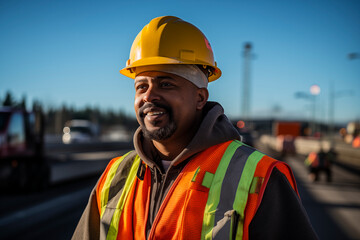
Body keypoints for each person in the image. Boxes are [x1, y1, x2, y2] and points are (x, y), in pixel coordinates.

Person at [72, 16, 318, 240]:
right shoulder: (115, 176)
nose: (149, 96)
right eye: (141, 86)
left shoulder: (260, 178)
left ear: (200, 98)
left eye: (166, 84)